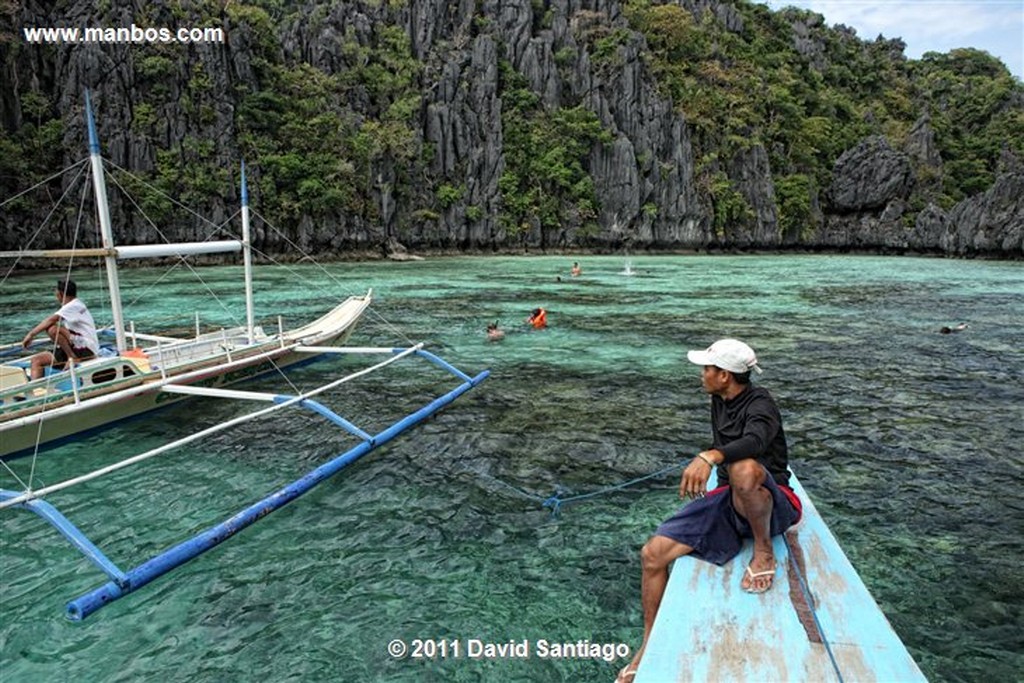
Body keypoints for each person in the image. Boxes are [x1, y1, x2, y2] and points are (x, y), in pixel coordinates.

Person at [616, 339, 801, 683]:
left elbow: (757, 442)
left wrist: (709, 456)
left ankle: (763, 552)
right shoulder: (719, 399)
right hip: (728, 498)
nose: (702, 375)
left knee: (744, 468)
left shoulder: (762, 403)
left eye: (707, 369)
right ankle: (649, 643)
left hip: (773, 503)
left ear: (725, 376)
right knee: (652, 555)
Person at [22, 279, 100, 380]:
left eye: (56, 292)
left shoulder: (73, 306)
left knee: (52, 329)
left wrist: (31, 335)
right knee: (36, 360)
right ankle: (35, 391)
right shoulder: (75, 305)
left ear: (61, 293)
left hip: (86, 348)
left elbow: (50, 320)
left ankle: (72, 357)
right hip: (75, 346)